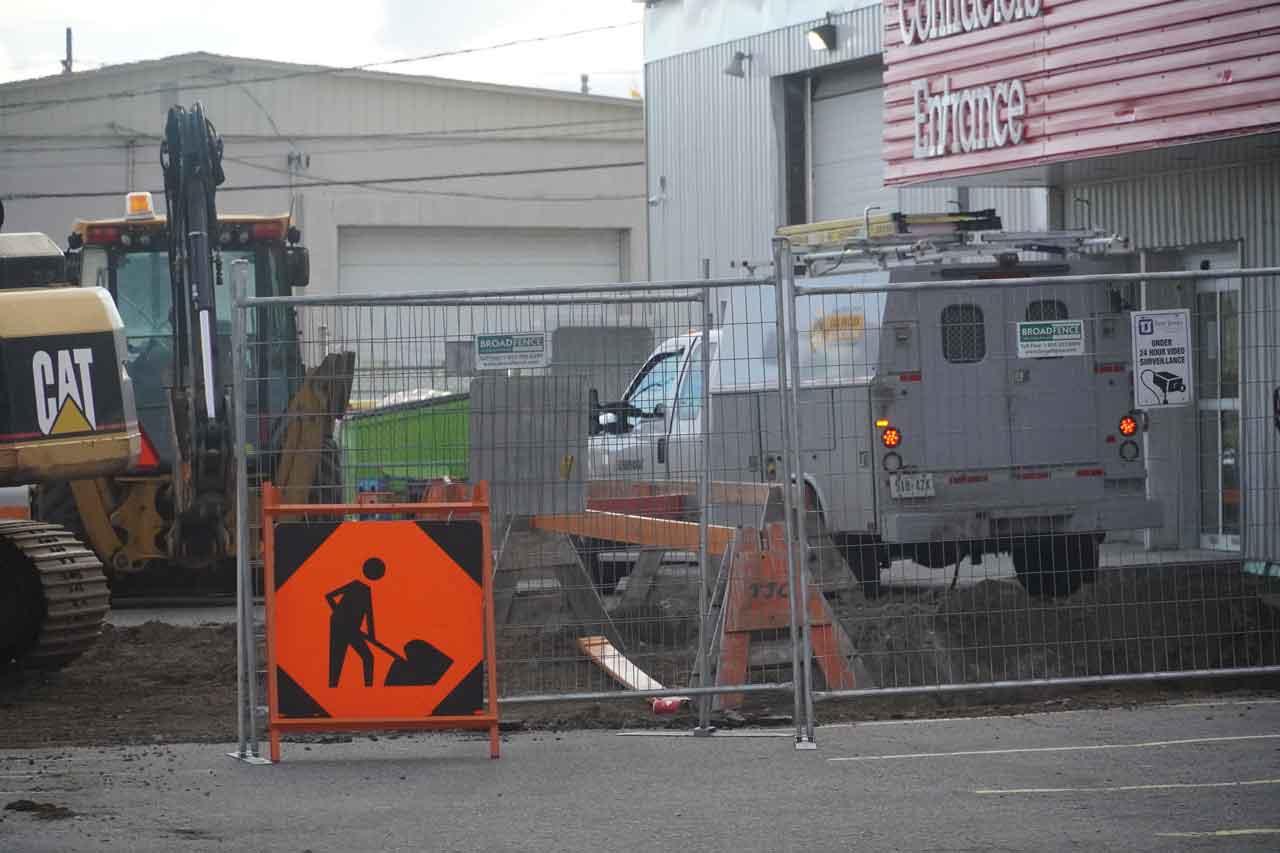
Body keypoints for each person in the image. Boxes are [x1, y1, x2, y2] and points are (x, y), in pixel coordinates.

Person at [326, 558, 385, 688]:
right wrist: (339, 615)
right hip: (338, 626)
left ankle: (368, 689)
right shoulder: (355, 585)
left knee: (369, 658)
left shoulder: (366, 591)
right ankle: (332, 689)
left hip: (352, 630)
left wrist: (372, 636)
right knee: (337, 661)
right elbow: (329, 596)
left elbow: (369, 615)